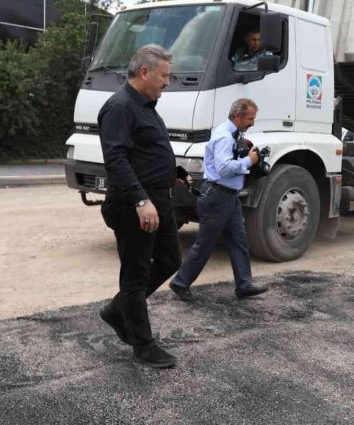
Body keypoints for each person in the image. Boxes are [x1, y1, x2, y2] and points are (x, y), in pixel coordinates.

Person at [97, 44, 187, 369]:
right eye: (164, 75)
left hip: (157, 198)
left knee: (170, 259)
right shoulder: (120, 107)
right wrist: (140, 200)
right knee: (136, 274)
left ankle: (117, 310)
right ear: (145, 72)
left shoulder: (147, 104)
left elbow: (146, 150)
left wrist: (174, 173)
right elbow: (116, 160)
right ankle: (142, 342)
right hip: (135, 204)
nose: (167, 82)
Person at [169, 98, 269, 301]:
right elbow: (223, 168)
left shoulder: (233, 133)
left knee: (239, 241)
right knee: (205, 244)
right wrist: (249, 161)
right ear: (238, 116)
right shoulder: (225, 136)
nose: (252, 123)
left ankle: (244, 285)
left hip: (228, 197)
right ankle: (180, 283)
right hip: (218, 195)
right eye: (250, 118)